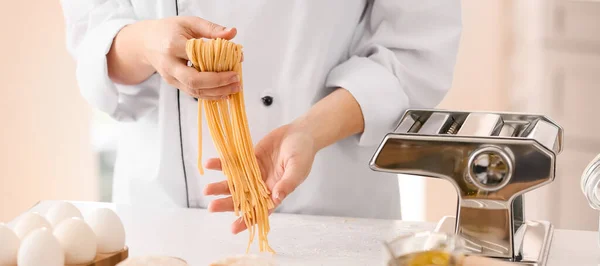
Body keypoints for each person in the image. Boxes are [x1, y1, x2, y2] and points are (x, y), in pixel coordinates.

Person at [60, 0, 461, 234]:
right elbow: (94, 32)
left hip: (328, 196)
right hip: (164, 208)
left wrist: (307, 131)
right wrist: (146, 44)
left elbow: (414, 52)